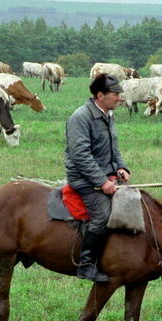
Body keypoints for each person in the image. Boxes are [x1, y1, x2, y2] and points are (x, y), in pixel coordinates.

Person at [65, 73, 131, 282]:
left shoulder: (108, 115)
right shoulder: (80, 117)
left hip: (106, 174)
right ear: (100, 95)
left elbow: (113, 149)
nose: (119, 98)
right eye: (115, 94)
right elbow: (80, 155)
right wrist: (102, 181)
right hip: (83, 179)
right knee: (102, 216)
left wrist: (121, 167)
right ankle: (86, 265)